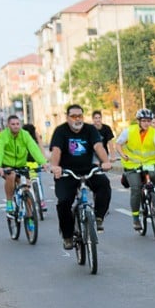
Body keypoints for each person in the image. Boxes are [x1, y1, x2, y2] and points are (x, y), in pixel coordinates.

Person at [49, 104, 113, 250]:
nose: (77, 119)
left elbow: (98, 146)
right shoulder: (60, 131)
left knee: (104, 184)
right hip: (67, 171)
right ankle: (67, 236)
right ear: (67, 117)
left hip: (87, 168)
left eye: (80, 116)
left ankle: (98, 217)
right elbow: (56, 150)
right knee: (64, 202)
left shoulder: (90, 129)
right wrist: (55, 167)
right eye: (73, 116)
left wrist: (106, 162)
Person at [117, 108, 155, 231]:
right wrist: (123, 155)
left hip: (149, 162)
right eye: (144, 120)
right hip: (132, 164)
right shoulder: (129, 131)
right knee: (136, 188)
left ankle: (154, 196)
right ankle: (135, 218)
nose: (146, 123)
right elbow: (118, 144)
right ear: (138, 121)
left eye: (149, 121)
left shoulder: (154, 133)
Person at [0, 115, 47, 214]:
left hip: (21, 164)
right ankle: (9, 202)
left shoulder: (25, 134)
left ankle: (30, 216)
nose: (16, 126)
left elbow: (33, 148)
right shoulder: (2, 136)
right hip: (7, 165)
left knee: (27, 187)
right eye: (13, 124)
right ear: (8, 125)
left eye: (18, 124)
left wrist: (43, 162)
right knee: (12, 175)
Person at [23, 123, 48, 212]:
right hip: (31, 161)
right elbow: (41, 148)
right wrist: (44, 160)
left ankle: (39, 201)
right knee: (35, 182)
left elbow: (41, 147)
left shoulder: (31, 135)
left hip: (32, 161)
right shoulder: (26, 136)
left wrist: (44, 161)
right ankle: (39, 201)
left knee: (34, 181)